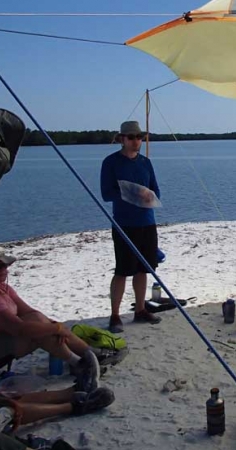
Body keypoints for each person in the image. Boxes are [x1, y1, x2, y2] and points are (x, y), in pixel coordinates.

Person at [0, 249, 100, 393]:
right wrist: (56, 329)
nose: (3, 269)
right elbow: (18, 328)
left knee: (39, 321)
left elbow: (28, 311)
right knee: (40, 331)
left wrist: (52, 325)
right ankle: (83, 360)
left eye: (5, 265)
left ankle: (87, 356)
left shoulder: (2, 288)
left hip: (4, 339)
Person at [100, 120, 162, 332]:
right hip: (124, 224)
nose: (137, 141)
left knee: (144, 268)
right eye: (132, 137)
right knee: (122, 270)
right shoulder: (111, 162)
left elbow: (156, 192)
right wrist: (131, 192)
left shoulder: (145, 162)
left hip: (147, 222)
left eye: (140, 137)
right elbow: (106, 194)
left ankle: (140, 310)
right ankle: (115, 315)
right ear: (122, 139)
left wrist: (148, 195)